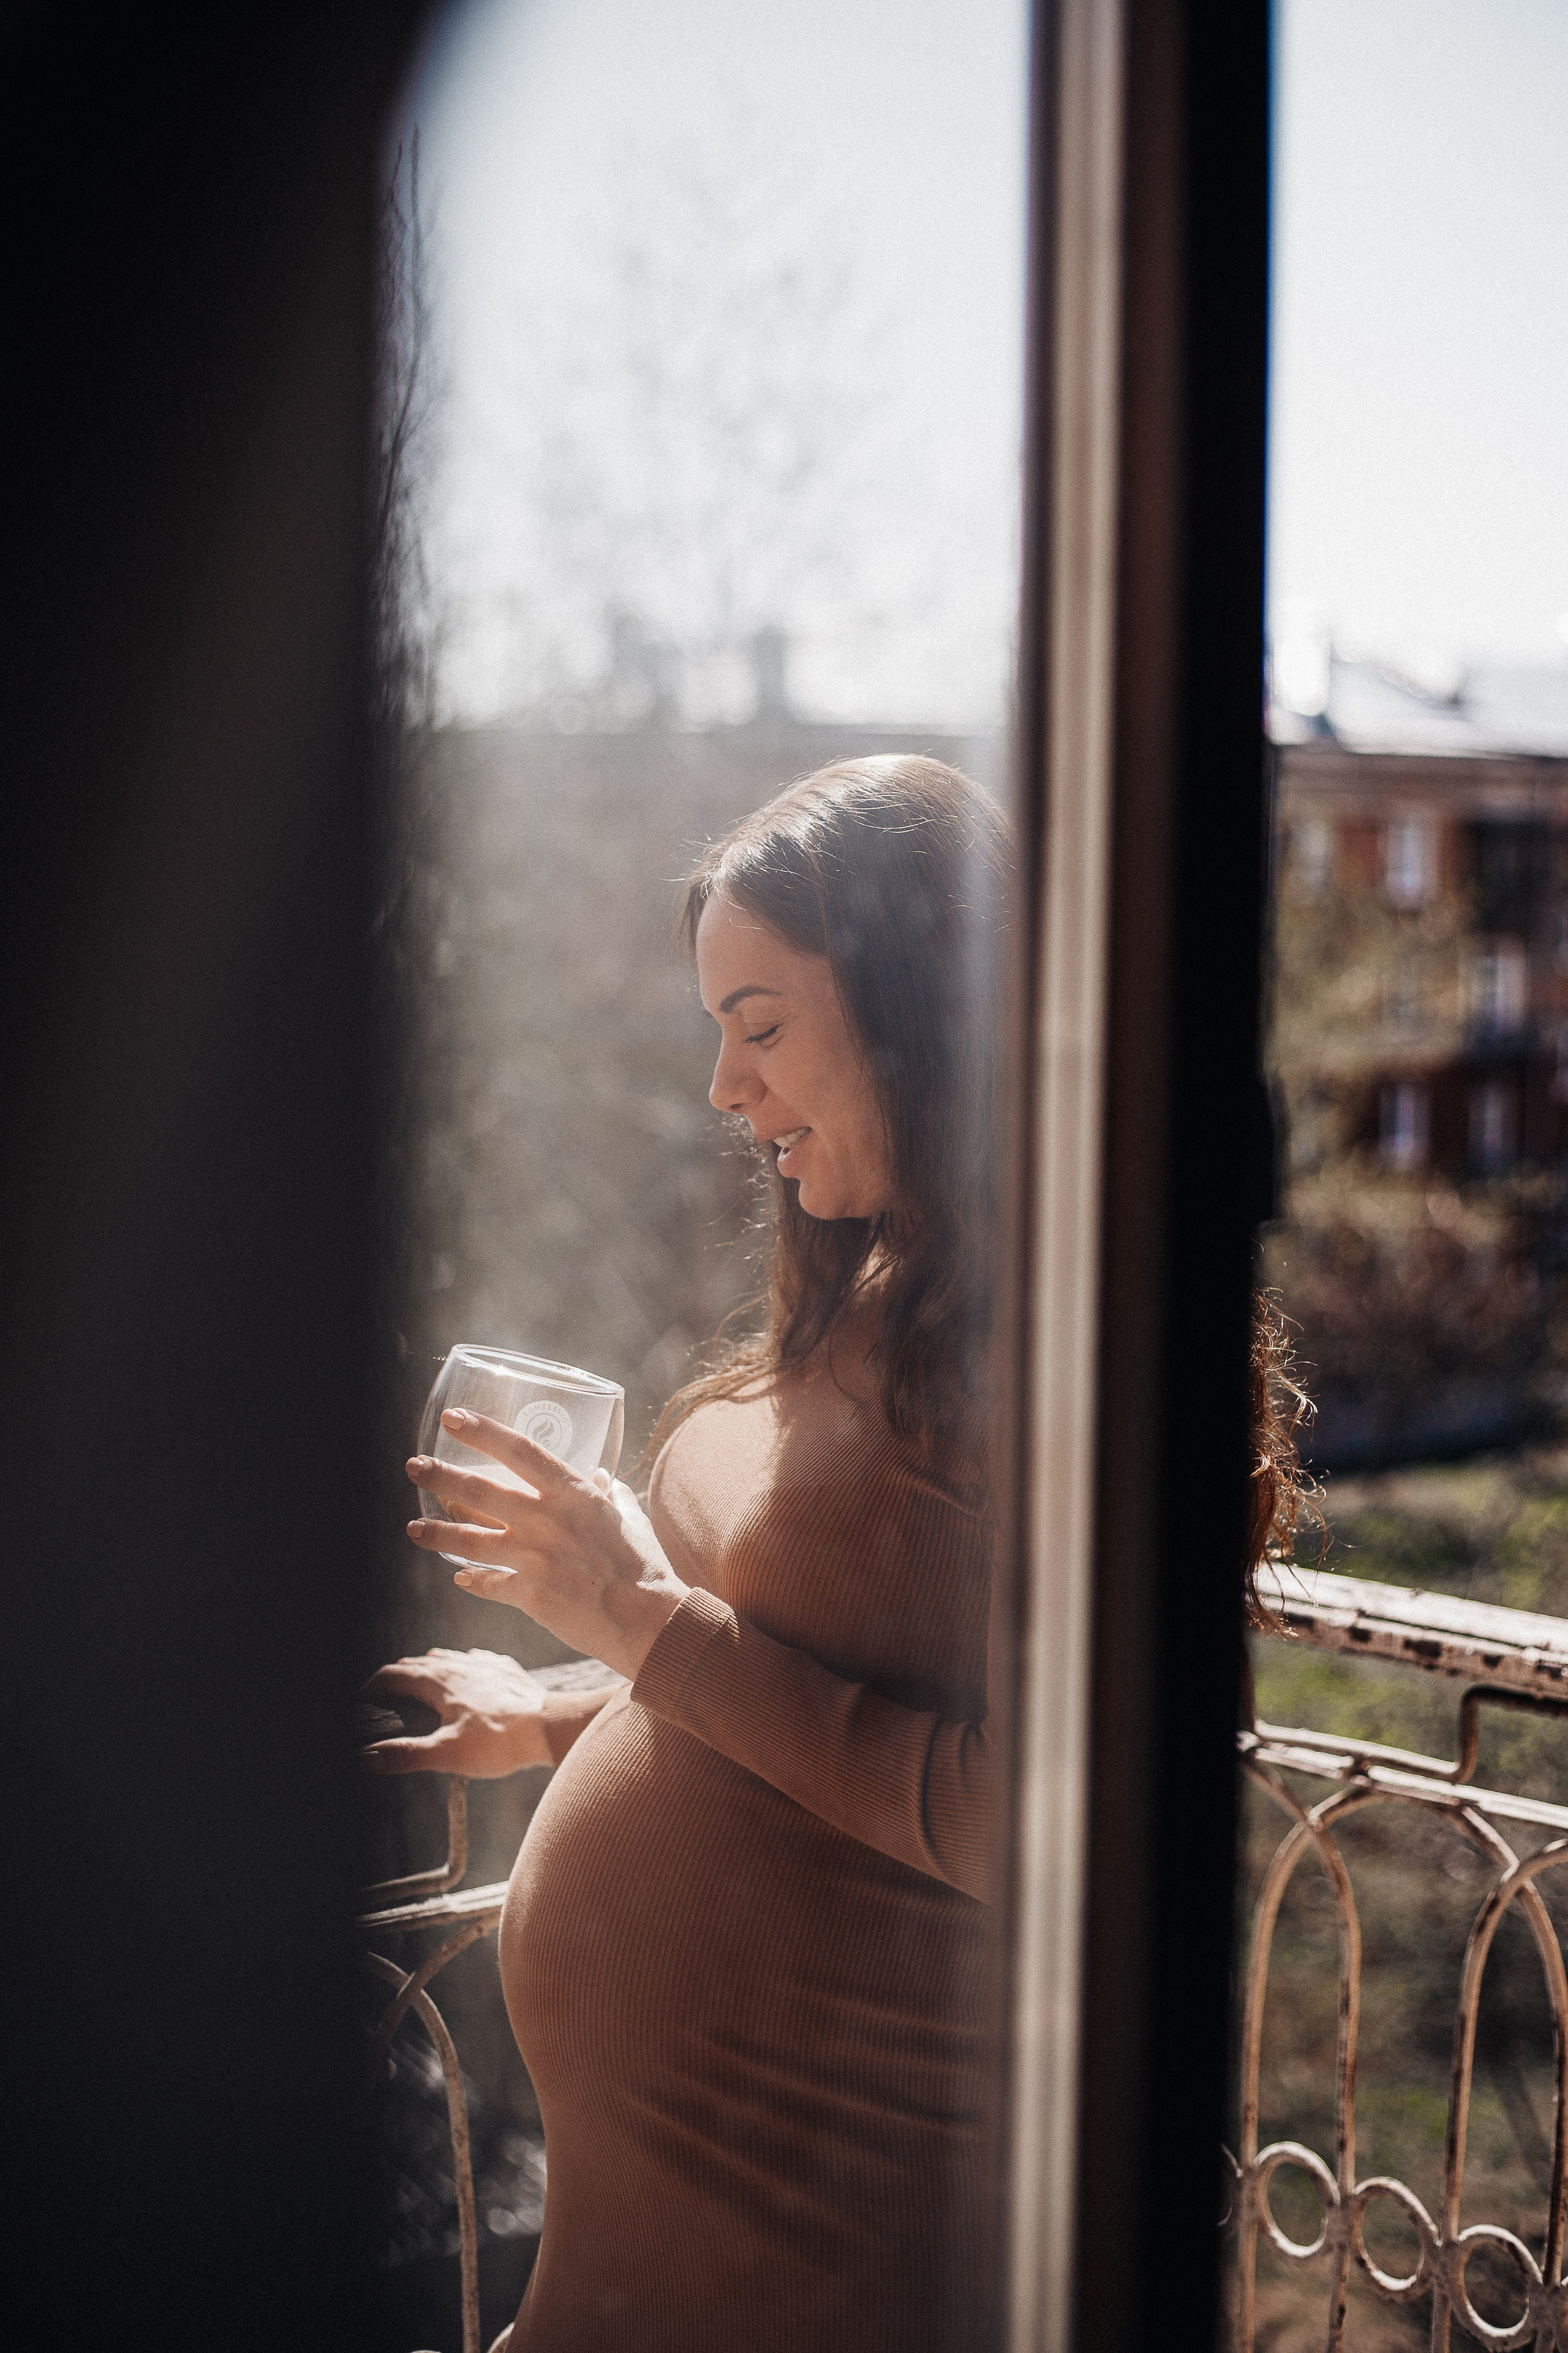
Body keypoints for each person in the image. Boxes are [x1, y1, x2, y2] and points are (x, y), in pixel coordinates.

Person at [364, 757, 1009, 2352]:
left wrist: (644, 1625)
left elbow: (1029, 1820)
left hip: (831, 2258)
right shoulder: (879, 1291)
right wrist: (567, 1708)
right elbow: (820, 1662)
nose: (727, 1088)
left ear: (929, 1009)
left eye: (764, 1023)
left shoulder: (1055, 1356)